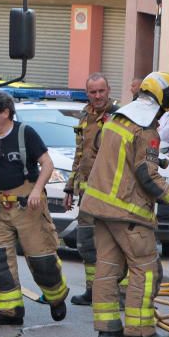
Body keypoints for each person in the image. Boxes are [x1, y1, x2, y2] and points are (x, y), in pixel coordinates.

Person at [81, 72, 169, 337]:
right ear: (161, 102)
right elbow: (148, 178)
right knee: (146, 271)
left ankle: (108, 326)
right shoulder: (147, 130)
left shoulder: (117, 119)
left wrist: (151, 157)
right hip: (128, 212)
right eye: (165, 109)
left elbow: (110, 151)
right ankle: (141, 330)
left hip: (100, 208)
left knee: (108, 268)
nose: (162, 116)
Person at [0, 91, 69, 326]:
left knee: (42, 261)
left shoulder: (26, 134)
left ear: (6, 113)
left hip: (27, 207)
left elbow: (47, 164)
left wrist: (36, 191)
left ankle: (56, 297)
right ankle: (9, 312)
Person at [62, 73, 117, 306]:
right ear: (87, 94)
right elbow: (80, 155)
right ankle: (92, 290)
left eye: (101, 91)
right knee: (86, 243)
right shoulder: (84, 116)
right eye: (93, 92)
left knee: (115, 244)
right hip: (87, 194)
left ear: (109, 90)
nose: (97, 96)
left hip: (112, 195)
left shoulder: (118, 117)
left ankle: (119, 294)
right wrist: (69, 188)